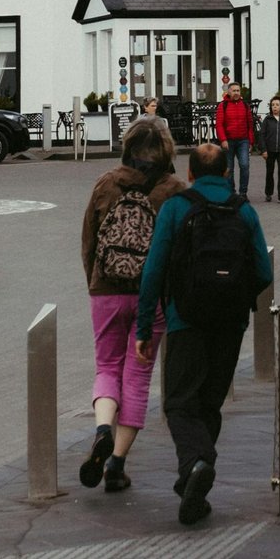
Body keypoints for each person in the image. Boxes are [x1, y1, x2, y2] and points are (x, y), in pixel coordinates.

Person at [134, 143, 271, 526]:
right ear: (227, 172)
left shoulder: (176, 208)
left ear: (190, 174)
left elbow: (153, 270)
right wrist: (236, 298)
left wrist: (144, 326)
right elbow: (264, 271)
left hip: (185, 321)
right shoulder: (244, 210)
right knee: (210, 403)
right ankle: (195, 482)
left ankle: (196, 464)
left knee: (179, 403)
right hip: (230, 323)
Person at [78, 119, 184, 493]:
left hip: (106, 289)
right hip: (151, 298)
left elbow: (88, 241)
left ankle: (102, 428)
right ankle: (116, 464)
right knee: (137, 378)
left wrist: (95, 283)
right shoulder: (174, 191)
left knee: (107, 366)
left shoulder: (106, 183)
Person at [214, 82, 254, 195]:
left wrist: (251, 141)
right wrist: (223, 139)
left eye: (238, 91)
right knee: (229, 168)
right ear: (228, 92)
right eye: (234, 91)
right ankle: (231, 192)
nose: (236, 93)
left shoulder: (245, 106)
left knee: (245, 165)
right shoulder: (223, 106)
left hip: (243, 140)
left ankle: (243, 193)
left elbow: (250, 125)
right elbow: (219, 124)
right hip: (228, 141)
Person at [257, 95, 280, 203]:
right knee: (270, 172)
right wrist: (263, 150)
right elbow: (262, 135)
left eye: (277, 105)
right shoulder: (267, 120)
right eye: (273, 105)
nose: (275, 107)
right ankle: (268, 193)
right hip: (270, 150)